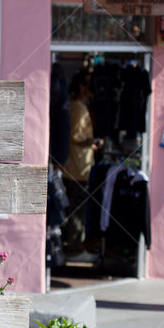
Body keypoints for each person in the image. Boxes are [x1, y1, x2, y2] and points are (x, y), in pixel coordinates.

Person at [60, 70, 102, 256]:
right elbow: (76, 136)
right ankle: (74, 246)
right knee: (77, 208)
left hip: (74, 166)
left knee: (73, 206)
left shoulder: (75, 106)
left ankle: (72, 243)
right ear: (80, 86)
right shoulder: (79, 108)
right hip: (78, 167)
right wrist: (93, 142)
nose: (89, 88)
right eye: (86, 83)